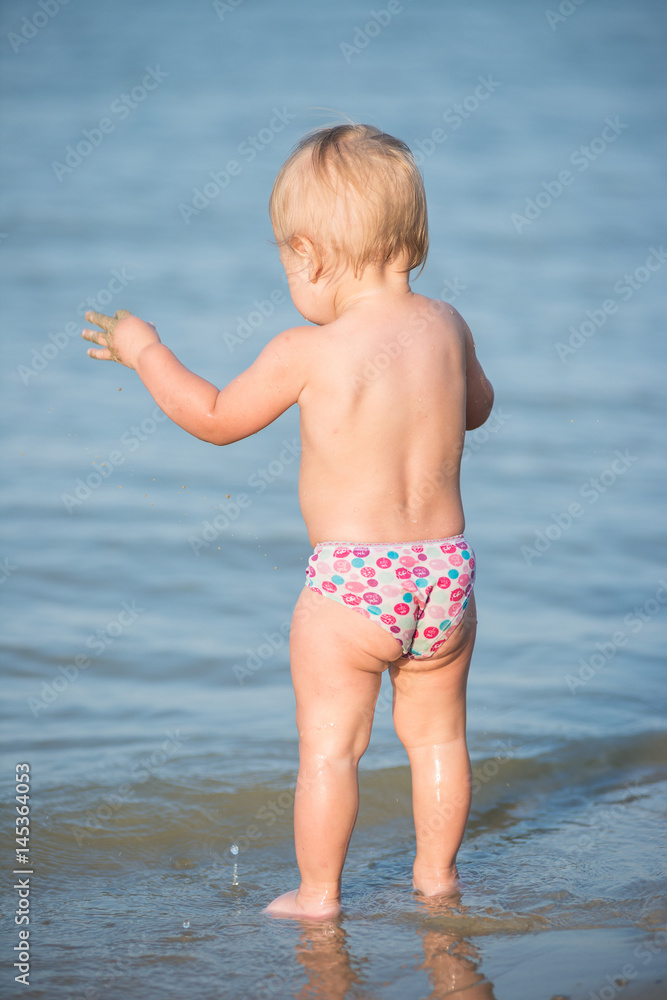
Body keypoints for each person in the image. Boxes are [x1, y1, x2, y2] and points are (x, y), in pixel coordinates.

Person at [82, 123, 494, 921]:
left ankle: (318, 895)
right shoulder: (448, 324)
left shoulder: (307, 350)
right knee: (438, 740)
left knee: (330, 751)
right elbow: (477, 409)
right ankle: (438, 879)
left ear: (306, 256)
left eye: (283, 260)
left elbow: (211, 417)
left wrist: (146, 352)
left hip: (352, 584)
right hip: (444, 575)